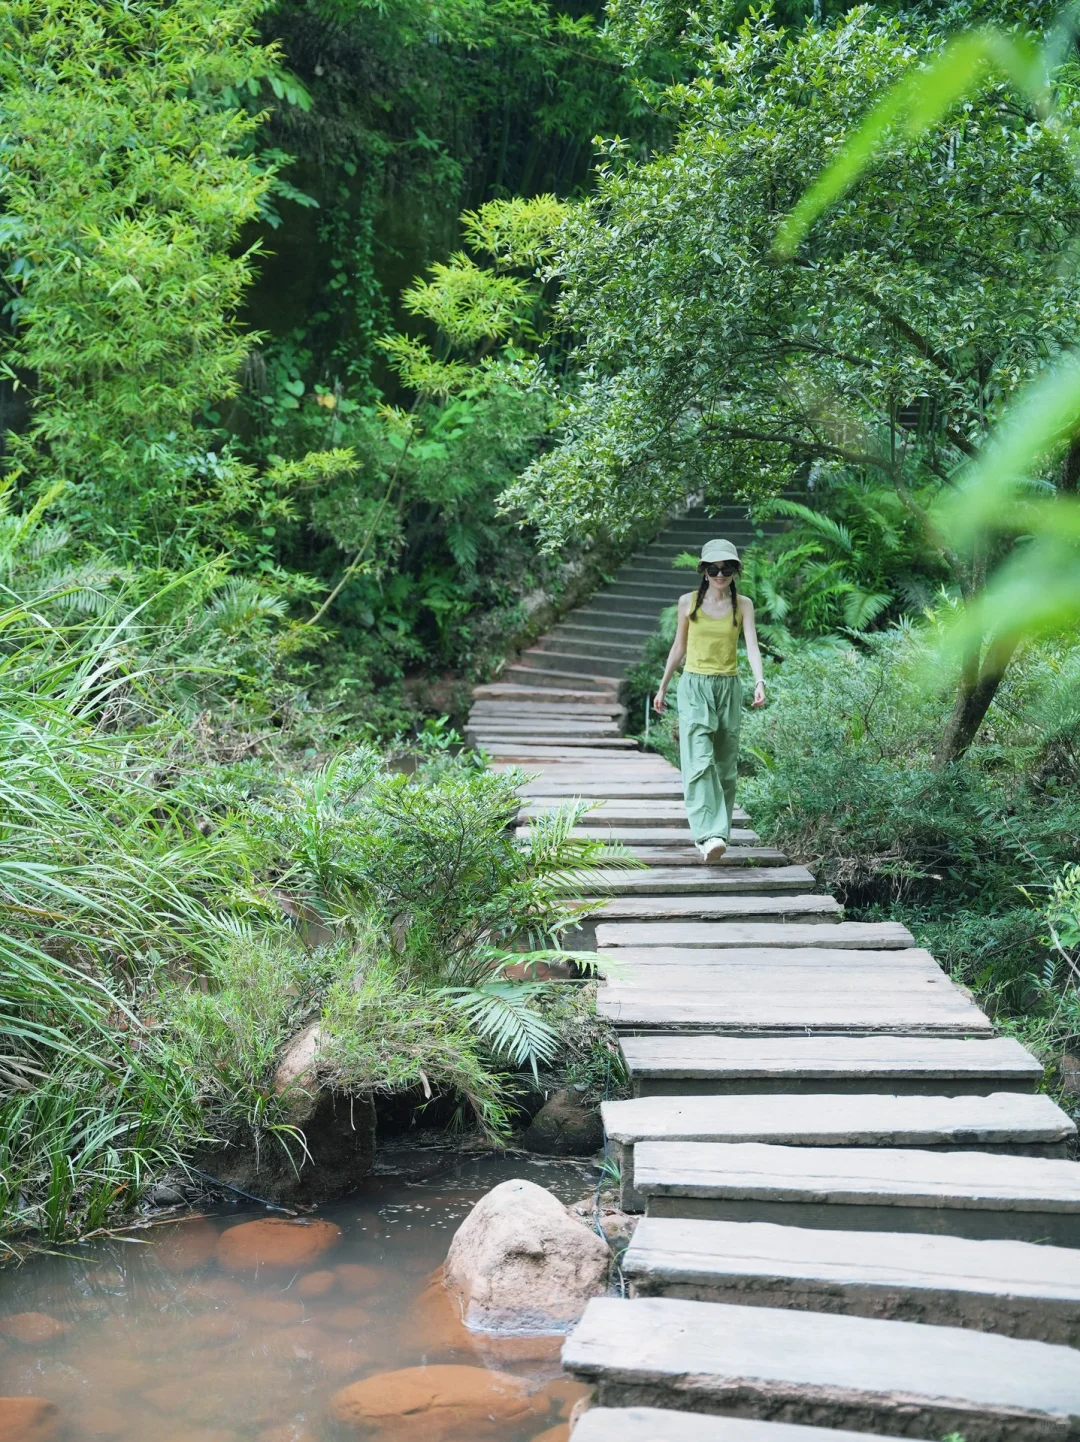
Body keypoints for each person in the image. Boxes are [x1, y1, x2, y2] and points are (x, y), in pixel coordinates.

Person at [652, 539, 766, 863]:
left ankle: (719, 832)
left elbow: (752, 647)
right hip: (694, 687)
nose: (720, 574)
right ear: (703, 571)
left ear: (734, 571)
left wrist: (759, 681)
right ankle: (708, 835)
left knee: (726, 767)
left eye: (726, 569)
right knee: (699, 759)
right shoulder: (688, 603)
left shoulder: (743, 605)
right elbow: (678, 647)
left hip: (728, 687)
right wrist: (662, 687)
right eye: (713, 569)